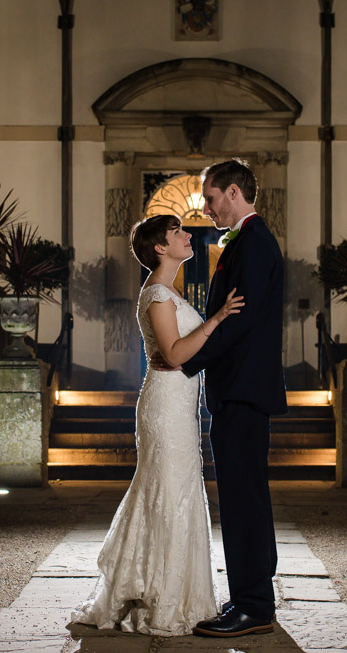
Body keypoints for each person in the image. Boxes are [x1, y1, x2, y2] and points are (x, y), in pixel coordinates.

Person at [71, 214, 244, 636]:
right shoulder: (158, 296)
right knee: (167, 492)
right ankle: (160, 597)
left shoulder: (166, 291)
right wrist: (218, 319)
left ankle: (172, 590)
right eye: (178, 232)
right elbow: (177, 353)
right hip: (165, 405)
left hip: (178, 404)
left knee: (176, 490)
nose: (188, 236)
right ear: (160, 248)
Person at [179, 158, 287, 638]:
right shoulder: (249, 242)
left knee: (242, 501)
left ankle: (252, 605)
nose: (207, 208)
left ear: (234, 193)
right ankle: (255, 597)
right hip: (239, 389)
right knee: (248, 497)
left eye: (211, 197)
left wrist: (187, 361)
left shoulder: (256, 244)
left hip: (242, 389)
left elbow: (239, 320)